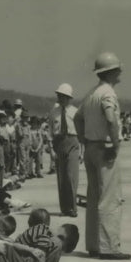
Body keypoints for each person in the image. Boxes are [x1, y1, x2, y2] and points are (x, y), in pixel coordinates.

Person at [74, 52, 129, 259]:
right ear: (111, 71)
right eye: (118, 68)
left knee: (94, 196)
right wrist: (114, 144)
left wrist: (84, 140)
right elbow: (111, 119)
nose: (121, 71)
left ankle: (94, 245)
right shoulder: (108, 93)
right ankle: (109, 248)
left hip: (90, 148)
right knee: (109, 198)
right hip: (105, 149)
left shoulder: (92, 93)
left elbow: (78, 118)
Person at [48, 83, 80, 216]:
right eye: (59, 96)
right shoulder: (53, 112)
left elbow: (80, 132)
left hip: (73, 142)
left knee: (71, 176)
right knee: (61, 177)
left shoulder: (75, 112)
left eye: (63, 96)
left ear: (69, 97)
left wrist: (82, 151)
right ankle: (65, 208)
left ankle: (73, 208)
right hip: (58, 143)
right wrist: (51, 149)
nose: (60, 98)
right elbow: (50, 132)